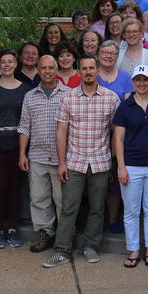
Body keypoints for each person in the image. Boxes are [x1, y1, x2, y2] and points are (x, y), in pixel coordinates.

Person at [44, 56, 121, 268]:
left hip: (100, 161)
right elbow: (61, 132)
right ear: (79, 71)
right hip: (74, 162)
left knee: (97, 208)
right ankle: (62, 251)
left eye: (91, 68)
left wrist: (115, 159)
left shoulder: (111, 98)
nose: (87, 72)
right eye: (84, 68)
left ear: (97, 70)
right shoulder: (68, 99)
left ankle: (90, 246)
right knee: (69, 208)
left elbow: (117, 133)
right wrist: (61, 163)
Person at [111, 65, 148, 267]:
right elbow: (118, 139)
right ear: (133, 82)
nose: (142, 83)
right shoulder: (125, 106)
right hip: (131, 165)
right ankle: (133, 250)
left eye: (146, 80)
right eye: (138, 80)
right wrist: (121, 167)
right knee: (131, 210)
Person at [18, 54, 70, 254]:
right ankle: (45, 234)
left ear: (57, 70)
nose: (47, 71)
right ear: (38, 70)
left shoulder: (68, 94)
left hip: (61, 159)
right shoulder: (30, 96)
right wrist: (22, 153)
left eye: (51, 68)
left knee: (62, 200)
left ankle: (64, 237)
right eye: (44, 68)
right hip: (37, 156)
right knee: (39, 199)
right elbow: (25, 126)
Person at [0, 50, 32, 249]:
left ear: (16, 63)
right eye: (3, 62)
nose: (7, 65)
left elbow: (28, 119)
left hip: (19, 143)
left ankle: (12, 228)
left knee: (15, 187)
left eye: (10, 61)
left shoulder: (26, 89)